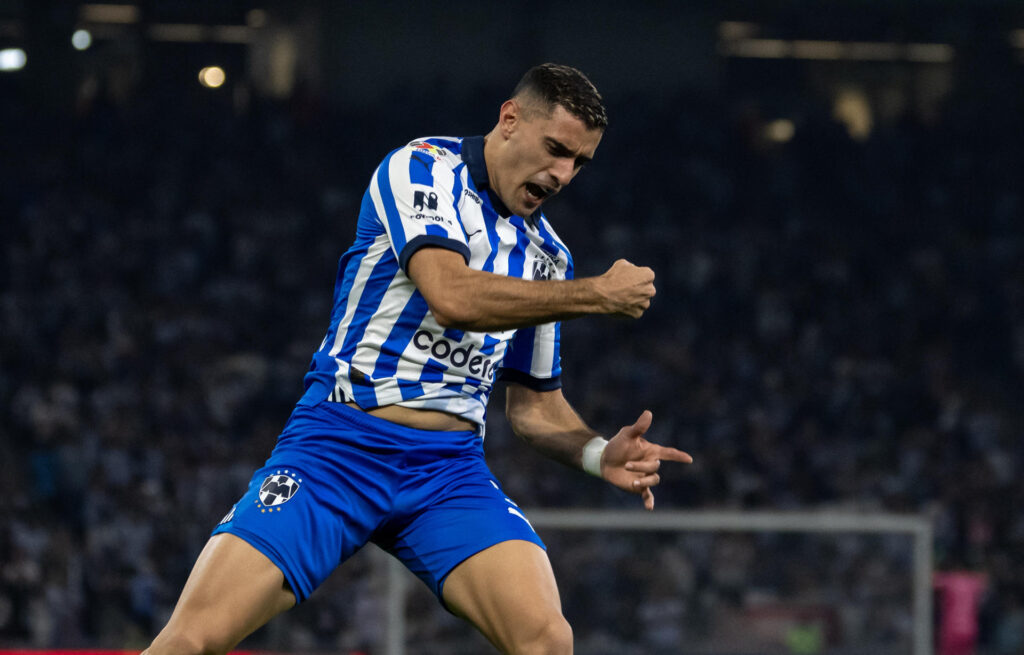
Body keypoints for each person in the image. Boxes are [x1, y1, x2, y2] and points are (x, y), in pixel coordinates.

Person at [144, 63, 693, 655]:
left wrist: (594, 453)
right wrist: (594, 294)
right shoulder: (421, 169)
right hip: (338, 447)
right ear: (509, 120)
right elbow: (451, 295)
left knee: (546, 639)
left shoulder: (545, 257)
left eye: (579, 162)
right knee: (193, 640)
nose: (562, 174)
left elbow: (534, 407)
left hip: (447, 473)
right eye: (556, 149)